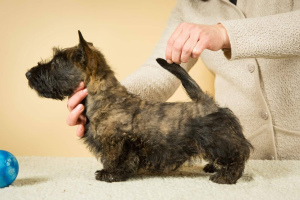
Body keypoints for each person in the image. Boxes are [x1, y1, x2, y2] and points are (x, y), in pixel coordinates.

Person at [66, 0, 300, 160]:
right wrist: (110, 103)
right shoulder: (188, 7)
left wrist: (224, 33)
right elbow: (160, 72)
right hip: (238, 155)